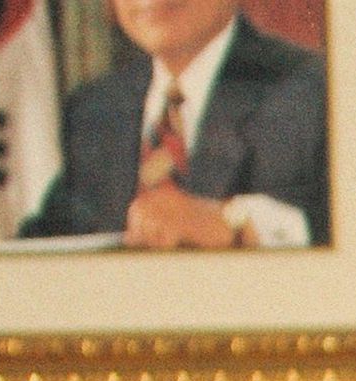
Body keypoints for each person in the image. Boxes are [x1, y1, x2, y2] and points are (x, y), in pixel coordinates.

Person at [17, 0, 332, 251]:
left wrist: (234, 225)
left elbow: (345, 233)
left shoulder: (315, 90)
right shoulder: (96, 109)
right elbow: (46, 242)